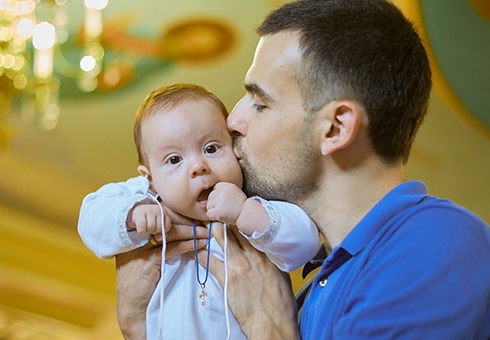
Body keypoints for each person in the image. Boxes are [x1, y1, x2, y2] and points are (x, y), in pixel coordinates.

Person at [114, 0, 490, 339]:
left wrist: (269, 329)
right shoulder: (316, 283)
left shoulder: (435, 245)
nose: (234, 121)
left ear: (335, 127)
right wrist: (139, 328)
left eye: (259, 102)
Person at [78, 83, 320, 339]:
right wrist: (133, 214)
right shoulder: (147, 196)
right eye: (174, 159)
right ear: (149, 178)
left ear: (236, 151)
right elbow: (91, 219)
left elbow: (304, 242)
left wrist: (244, 212)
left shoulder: (251, 199)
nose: (198, 166)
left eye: (211, 148)